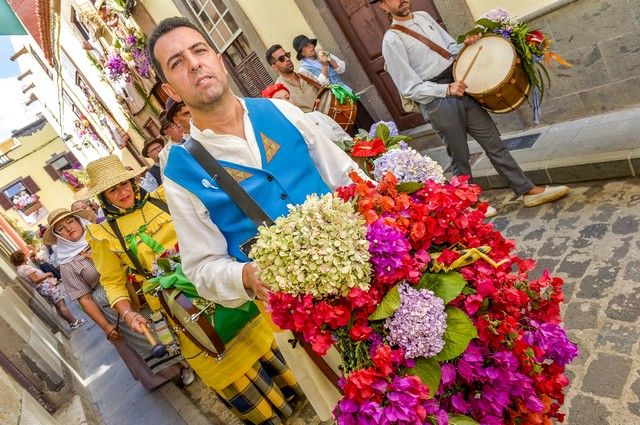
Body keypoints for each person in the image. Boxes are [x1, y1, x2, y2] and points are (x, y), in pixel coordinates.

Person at [149, 17, 362, 422]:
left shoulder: (280, 111)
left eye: (199, 51)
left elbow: (348, 177)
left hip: (369, 273)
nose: (194, 65)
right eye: (176, 63)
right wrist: (247, 277)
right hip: (306, 323)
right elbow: (200, 267)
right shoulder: (179, 174)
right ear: (170, 90)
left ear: (219, 60)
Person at [79, 155, 287, 424]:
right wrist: (128, 314)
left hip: (210, 276)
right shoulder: (103, 234)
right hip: (175, 302)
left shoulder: (164, 196)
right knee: (214, 353)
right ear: (103, 198)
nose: (123, 193)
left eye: (124, 184)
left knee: (255, 331)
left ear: (132, 180)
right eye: (113, 190)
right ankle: (265, 416)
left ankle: (289, 390)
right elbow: (111, 281)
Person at [373, 0, 570, 208]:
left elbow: (449, 48)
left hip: (460, 82)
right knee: (460, 157)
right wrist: (446, 89)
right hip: (437, 100)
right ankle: (469, 206)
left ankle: (526, 190)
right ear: (384, 7)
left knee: (494, 142)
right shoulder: (392, 40)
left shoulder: (423, 16)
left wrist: (465, 45)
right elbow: (408, 87)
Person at [43, 207, 192, 389]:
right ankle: (180, 368)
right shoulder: (67, 265)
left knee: (166, 321)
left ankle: (192, 356)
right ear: (58, 236)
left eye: (70, 221)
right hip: (113, 305)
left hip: (138, 286)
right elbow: (85, 299)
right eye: (60, 228)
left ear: (78, 220)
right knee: (147, 336)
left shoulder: (101, 235)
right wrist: (105, 326)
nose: (67, 228)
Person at [10, 249, 85, 329]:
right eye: (24, 255)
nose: (26, 256)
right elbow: (36, 280)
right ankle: (74, 322)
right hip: (44, 286)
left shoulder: (20, 269)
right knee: (61, 304)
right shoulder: (26, 268)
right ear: (21, 257)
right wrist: (47, 274)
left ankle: (71, 323)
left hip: (41, 288)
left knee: (58, 306)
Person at [260, 83, 351, 147]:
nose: (286, 103)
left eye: (287, 98)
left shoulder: (316, 116)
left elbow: (345, 138)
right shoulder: (282, 138)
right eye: (280, 101)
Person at [266, 44, 320, 113]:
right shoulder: (279, 91)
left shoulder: (306, 75)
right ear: (274, 67)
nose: (287, 59)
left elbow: (324, 93)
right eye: (281, 59)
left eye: (287, 55)